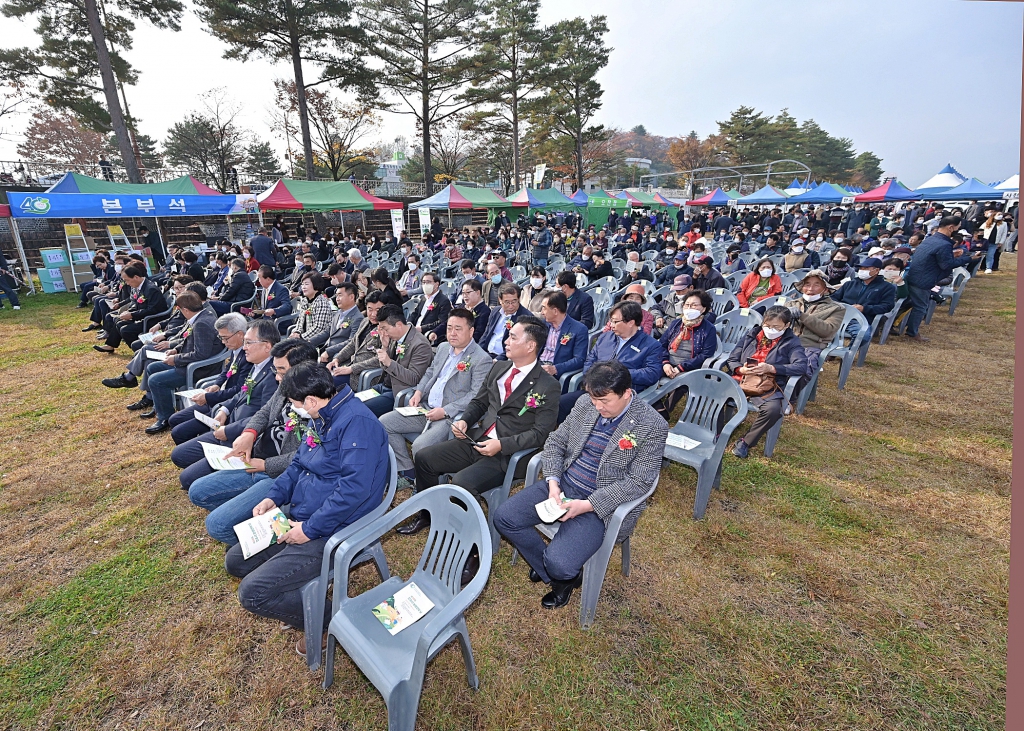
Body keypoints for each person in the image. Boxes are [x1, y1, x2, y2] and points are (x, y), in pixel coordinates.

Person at [225, 362, 389, 655]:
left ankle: (332, 621)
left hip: (337, 527)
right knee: (235, 560)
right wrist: (274, 497)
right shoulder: (322, 416)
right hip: (304, 515)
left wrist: (310, 530)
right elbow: (299, 464)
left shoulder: (356, 423)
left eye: (294, 404)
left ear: (311, 401)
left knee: (252, 594)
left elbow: (354, 490)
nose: (293, 409)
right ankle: (299, 591)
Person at [494, 360, 667, 609]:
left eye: (605, 401)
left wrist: (587, 505)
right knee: (505, 517)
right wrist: (553, 482)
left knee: (561, 563)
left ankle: (561, 575)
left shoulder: (651, 425)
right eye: (594, 399)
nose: (598, 406)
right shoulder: (586, 403)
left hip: (602, 506)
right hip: (564, 484)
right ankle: (550, 569)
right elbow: (555, 442)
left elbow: (639, 482)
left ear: (627, 393)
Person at [401, 318, 561, 540]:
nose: (506, 341)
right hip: (478, 439)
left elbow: (541, 433)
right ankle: (429, 515)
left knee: (461, 484)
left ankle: (471, 546)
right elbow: (479, 402)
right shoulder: (500, 368)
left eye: (513, 337)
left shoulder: (547, 385)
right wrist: (465, 420)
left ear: (531, 346)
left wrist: (501, 445)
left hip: (507, 455)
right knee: (424, 457)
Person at [187, 340, 318, 543]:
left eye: (282, 371)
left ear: (304, 371)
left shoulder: (319, 402)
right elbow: (265, 412)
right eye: (276, 370)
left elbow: (309, 455)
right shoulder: (286, 386)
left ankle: (259, 546)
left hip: (280, 476)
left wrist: (266, 465)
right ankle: (251, 529)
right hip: (255, 460)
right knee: (197, 491)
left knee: (217, 525)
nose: (276, 377)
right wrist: (249, 433)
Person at [378, 308, 490, 488]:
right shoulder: (444, 348)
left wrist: (445, 411)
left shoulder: (480, 359)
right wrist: (419, 392)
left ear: (471, 331)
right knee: (385, 422)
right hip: (425, 407)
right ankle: (408, 472)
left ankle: (429, 487)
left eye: (458, 329)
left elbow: (476, 396)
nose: (452, 333)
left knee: (421, 446)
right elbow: (430, 372)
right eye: (449, 328)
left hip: (450, 417)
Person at [559, 301, 663, 422]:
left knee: (593, 416)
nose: (610, 325)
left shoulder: (651, 345)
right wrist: (589, 380)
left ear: (630, 322)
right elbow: (589, 361)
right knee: (561, 405)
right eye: (610, 321)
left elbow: (652, 374)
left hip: (621, 396)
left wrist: (617, 374)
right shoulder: (605, 337)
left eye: (615, 321)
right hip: (595, 391)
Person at [167, 313, 261, 445]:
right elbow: (227, 369)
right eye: (221, 338)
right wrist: (217, 384)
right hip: (219, 399)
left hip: (225, 403)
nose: (223, 342)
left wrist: (209, 397)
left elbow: (239, 390)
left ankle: (196, 450)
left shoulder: (248, 356)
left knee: (179, 432)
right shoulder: (236, 349)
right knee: (174, 420)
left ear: (240, 334)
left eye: (226, 338)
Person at [727, 306, 808, 458]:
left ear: (787, 325)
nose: (770, 330)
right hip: (741, 379)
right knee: (714, 394)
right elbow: (732, 358)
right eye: (767, 325)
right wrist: (740, 369)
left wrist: (771, 368)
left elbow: (801, 366)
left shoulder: (791, 342)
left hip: (767, 385)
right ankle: (718, 431)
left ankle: (746, 441)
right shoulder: (752, 334)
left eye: (776, 327)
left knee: (773, 410)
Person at [141, 291, 219, 434]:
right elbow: (187, 340)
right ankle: (160, 406)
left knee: (156, 380)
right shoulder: (200, 316)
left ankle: (166, 418)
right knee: (152, 367)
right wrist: (176, 350)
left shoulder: (201, 323)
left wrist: (176, 359)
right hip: (189, 361)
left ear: (185, 310)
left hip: (199, 368)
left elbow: (201, 354)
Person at [904, 215, 970, 342]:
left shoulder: (931, 239)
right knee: (920, 306)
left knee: (912, 303)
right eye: (958, 227)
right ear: (951, 227)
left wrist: (952, 255)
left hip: (915, 275)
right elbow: (947, 265)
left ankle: (906, 328)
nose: (959, 229)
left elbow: (936, 258)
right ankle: (912, 332)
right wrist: (967, 259)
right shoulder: (944, 244)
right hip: (923, 279)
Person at [361, 304, 432, 417]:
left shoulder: (420, 344)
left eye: (385, 329)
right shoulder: (395, 336)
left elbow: (414, 379)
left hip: (398, 392)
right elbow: (385, 366)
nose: (385, 333)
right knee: (353, 402)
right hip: (383, 385)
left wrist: (389, 362)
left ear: (398, 325)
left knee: (362, 409)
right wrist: (385, 347)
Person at [657, 289, 717, 416]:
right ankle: (655, 405)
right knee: (647, 374)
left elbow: (705, 354)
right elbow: (662, 344)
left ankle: (665, 411)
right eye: (687, 305)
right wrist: (665, 363)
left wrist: (681, 367)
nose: (690, 308)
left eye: (694, 305)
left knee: (683, 381)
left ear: (703, 309)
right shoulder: (676, 323)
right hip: (668, 362)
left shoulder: (709, 329)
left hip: (689, 366)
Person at [786, 271, 845, 390]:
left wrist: (802, 316)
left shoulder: (836, 308)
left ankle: (787, 399)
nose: (810, 288)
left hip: (810, 346)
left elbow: (827, 330)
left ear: (826, 289)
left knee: (802, 369)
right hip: (786, 342)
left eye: (817, 285)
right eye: (807, 284)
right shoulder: (790, 303)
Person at [93, 264, 167, 353]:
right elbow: (134, 303)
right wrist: (128, 312)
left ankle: (140, 350)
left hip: (153, 319)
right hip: (142, 315)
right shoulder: (136, 287)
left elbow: (153, 310)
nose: (127, 283)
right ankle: (110, 345)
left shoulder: (151, 289)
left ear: (136, 277)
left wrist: (132, 315)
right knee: (118, 321)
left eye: (127, 280)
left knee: (125, 330)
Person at [325, 291, 384, 387]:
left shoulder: (386, 329)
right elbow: (353, 344)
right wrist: (337, 359)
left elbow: (379, 359)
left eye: (378, 310)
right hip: (350, 365)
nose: (373, 314)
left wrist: (352, 368)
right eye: (370, 309)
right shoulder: (365, 321)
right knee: (323, 375)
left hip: (365, 373)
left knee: (330, 382)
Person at [832, 258, 897, 335]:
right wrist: (842, 306)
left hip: (862, 319)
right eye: (861, 268)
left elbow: (887, 306)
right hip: (840, 315)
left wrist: (864, 308)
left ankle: (851, 346)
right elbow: (834, 298)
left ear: (876, 271)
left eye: (866, 268)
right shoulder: (850, 284)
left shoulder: (887, 287)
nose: (862, 270)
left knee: (863, 335)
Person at [538, 291, 589, 381]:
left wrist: (555, 368)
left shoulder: (578, 329)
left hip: (555, 372)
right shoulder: (544, 324)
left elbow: (579, 359)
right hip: (537, 365)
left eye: (544, 308)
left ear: (555, 311)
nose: (542, 312)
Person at [482, 283, 532, 361]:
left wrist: (497, 360)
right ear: (500, 300)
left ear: (519, 299)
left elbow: (517, 346)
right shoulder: (495, 311)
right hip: (487, 354)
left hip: (505, 358)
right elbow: (486, 335)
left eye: (514, 301)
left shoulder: (526, 317)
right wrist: (478, 352)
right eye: (507, 302)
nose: (511, 306)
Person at [310, 282, 363, 352]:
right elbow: (328, 331)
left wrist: (329, 352)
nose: (337, 299)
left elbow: (351, 342)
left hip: (339, 355)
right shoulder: (338, 313)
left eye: (340, 295)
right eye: (336, 296)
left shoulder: (358, 318)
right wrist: (309, 342)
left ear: (351, 297)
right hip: (325, 349)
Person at [408, 272, 452, 345]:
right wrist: (409, 323)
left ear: (436, 284)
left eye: (428, 282)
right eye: (424, 282)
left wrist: (422, 328)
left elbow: (442, 321)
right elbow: (415, 313)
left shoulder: (443, 300)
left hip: (427, 333)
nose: (425, 285)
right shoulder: (423, 298)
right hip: (414, 330)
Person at [288, 272, 333, 342]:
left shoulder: (322, 302)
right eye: (302, 284)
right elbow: (300, 321)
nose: (303, 287)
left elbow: (319, 328)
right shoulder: (305, 300)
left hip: (314, 341)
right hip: (302, 337)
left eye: (306, 284)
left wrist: (301, 337)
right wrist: (297, 332)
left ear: (315, 285)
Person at [459, 278, 491, 343]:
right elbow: (448, 322)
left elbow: (478, 334)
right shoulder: (461, 307)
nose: (465, 296)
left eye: (468, 292)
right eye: (463, 293)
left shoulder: (485, 311)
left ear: (478, 293)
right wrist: (435, 332)